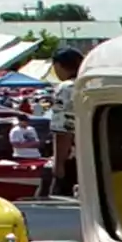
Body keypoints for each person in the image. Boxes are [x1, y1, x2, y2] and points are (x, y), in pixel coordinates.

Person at [40, 47, 85, 196]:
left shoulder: (67, 88)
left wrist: (59, 163)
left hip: (74, 158)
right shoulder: (90, 83)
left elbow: (63, 129)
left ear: (58, 65)